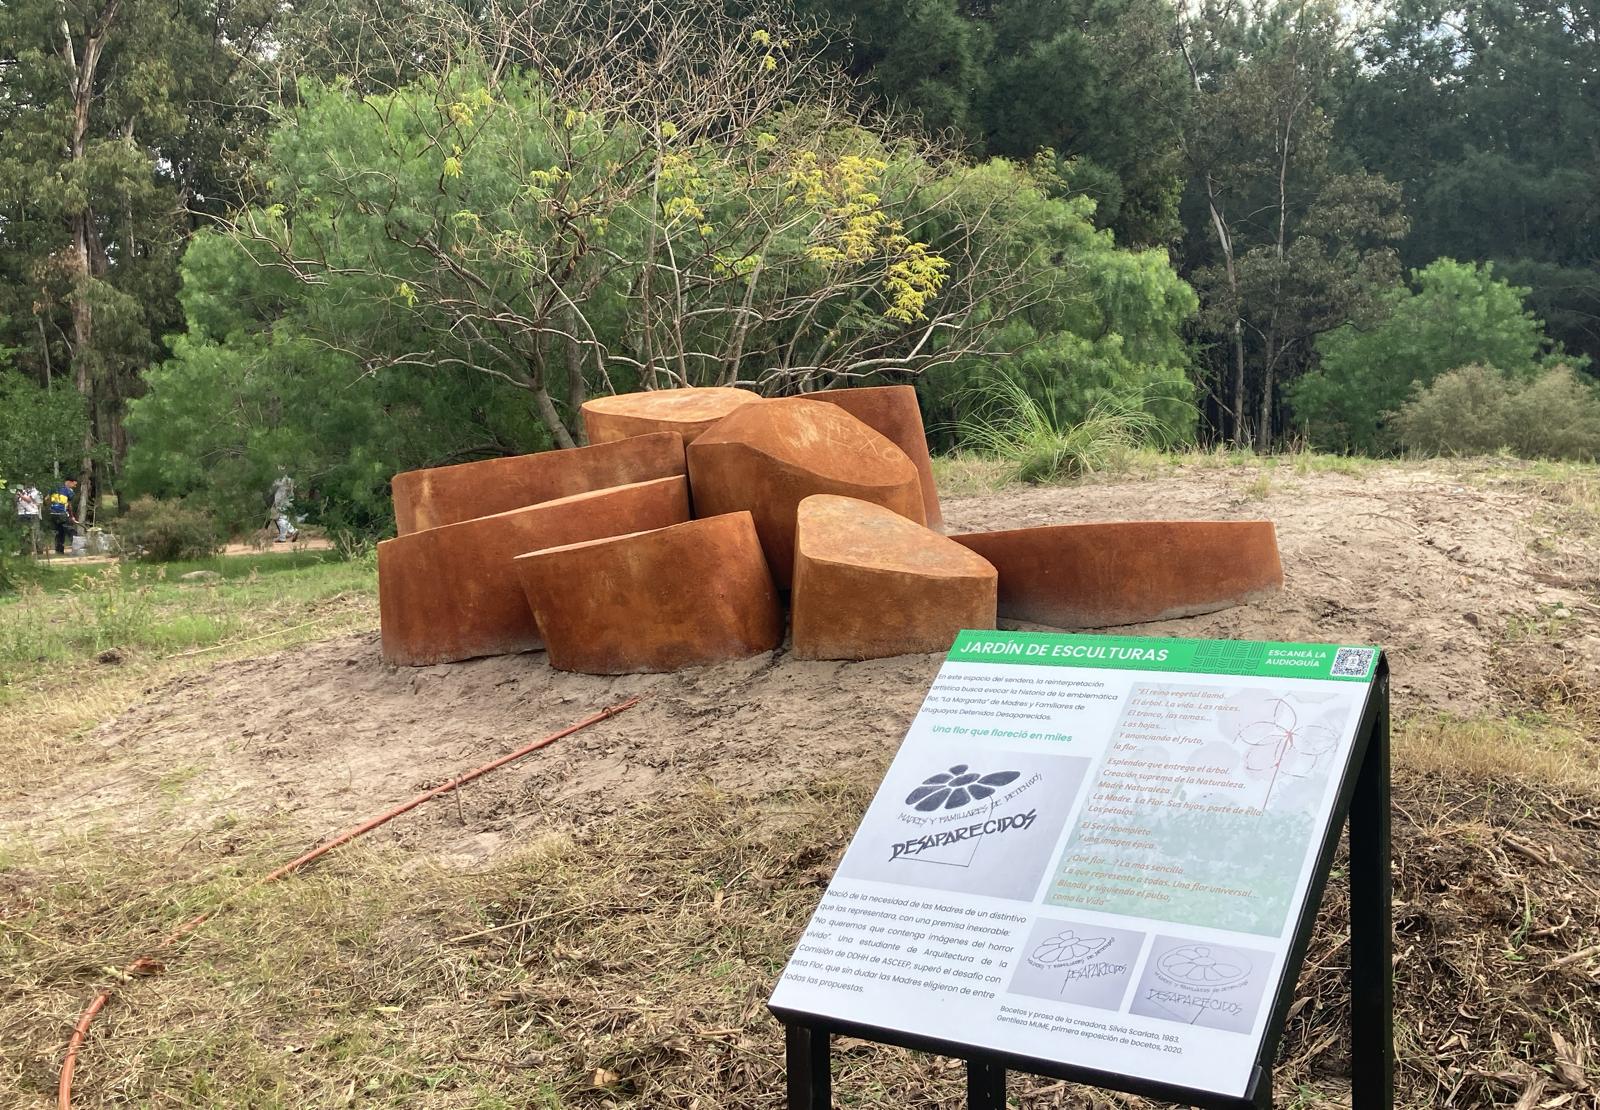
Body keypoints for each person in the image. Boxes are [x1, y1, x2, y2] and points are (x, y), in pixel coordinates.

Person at [47, 478, 78, 555]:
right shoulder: (69, 491)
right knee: (70, 530)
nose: (74, 486)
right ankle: (77, 549)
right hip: (62, 514)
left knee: (59, 532)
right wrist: (72, 516)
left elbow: (46, 499)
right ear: (69, 482)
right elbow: (69, 505)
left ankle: (59, 551)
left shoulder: (54, 488)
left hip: (53, 514)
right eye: (74, 484)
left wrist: (51, 508)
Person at [270, 469, 298, 543]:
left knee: (279, 519)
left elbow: (273, 486)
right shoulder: (289, 480)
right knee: (282, 518)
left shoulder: (281, 480)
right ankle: (284, 535)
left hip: (280, 501)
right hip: (285, 500)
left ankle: (290, 532)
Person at [14, 483, 42, 555]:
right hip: (22, 514)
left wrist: (20, 495)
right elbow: (16, 501)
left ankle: (38, 549)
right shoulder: (22, 492)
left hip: (32, 514)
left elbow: (29, 500)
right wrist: (17, 496)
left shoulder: (36, 492)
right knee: (23, 534)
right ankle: (25, 551)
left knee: (34, 533)